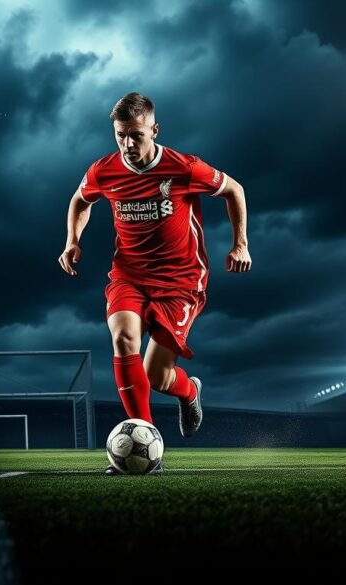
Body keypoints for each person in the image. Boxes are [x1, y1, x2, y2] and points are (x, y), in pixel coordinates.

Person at [58, 92, 251, 473]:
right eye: (120, 135)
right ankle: (147, 444)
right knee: (123, 337)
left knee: (156, 376)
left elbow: (234, 190)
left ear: (154, 130)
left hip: (181, 281)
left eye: (136, 134)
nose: (128, 144)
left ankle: (189, 390)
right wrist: (72, 241)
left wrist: (240, 244)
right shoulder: (103, 171)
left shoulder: (185, 168)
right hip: (128, 275)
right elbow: (80, 200)